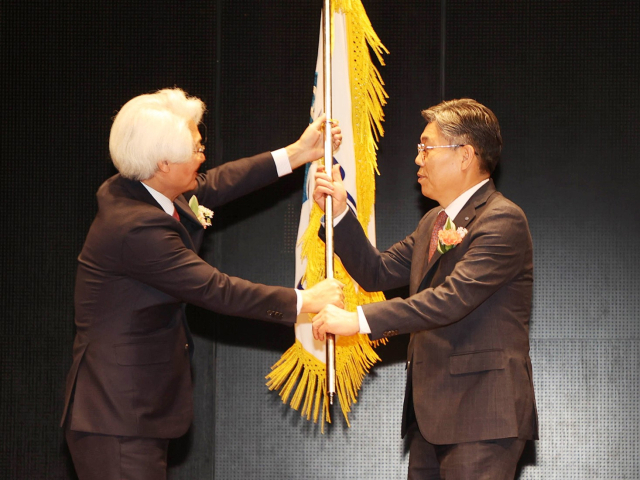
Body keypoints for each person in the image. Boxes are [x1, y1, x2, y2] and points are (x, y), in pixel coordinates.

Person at [61, 87, 344, 480]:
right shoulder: (135, 227)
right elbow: (215, 289)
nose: (203, 156)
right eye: (195, 150)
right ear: (162, 163)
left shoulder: (138, 188)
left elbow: (216, 184)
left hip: (129, 411)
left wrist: (298, 153)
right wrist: (305, 300)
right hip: (118, 416)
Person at [312, 99, 538, 480]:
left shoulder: (502, 219)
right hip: (430, 419)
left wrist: (358, 320)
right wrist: (338, 212)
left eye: (426, 148)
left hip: (482, 415)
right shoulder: (433, 222)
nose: (418, 159)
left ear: (465, 155)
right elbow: (377, 272)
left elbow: (451, 300)